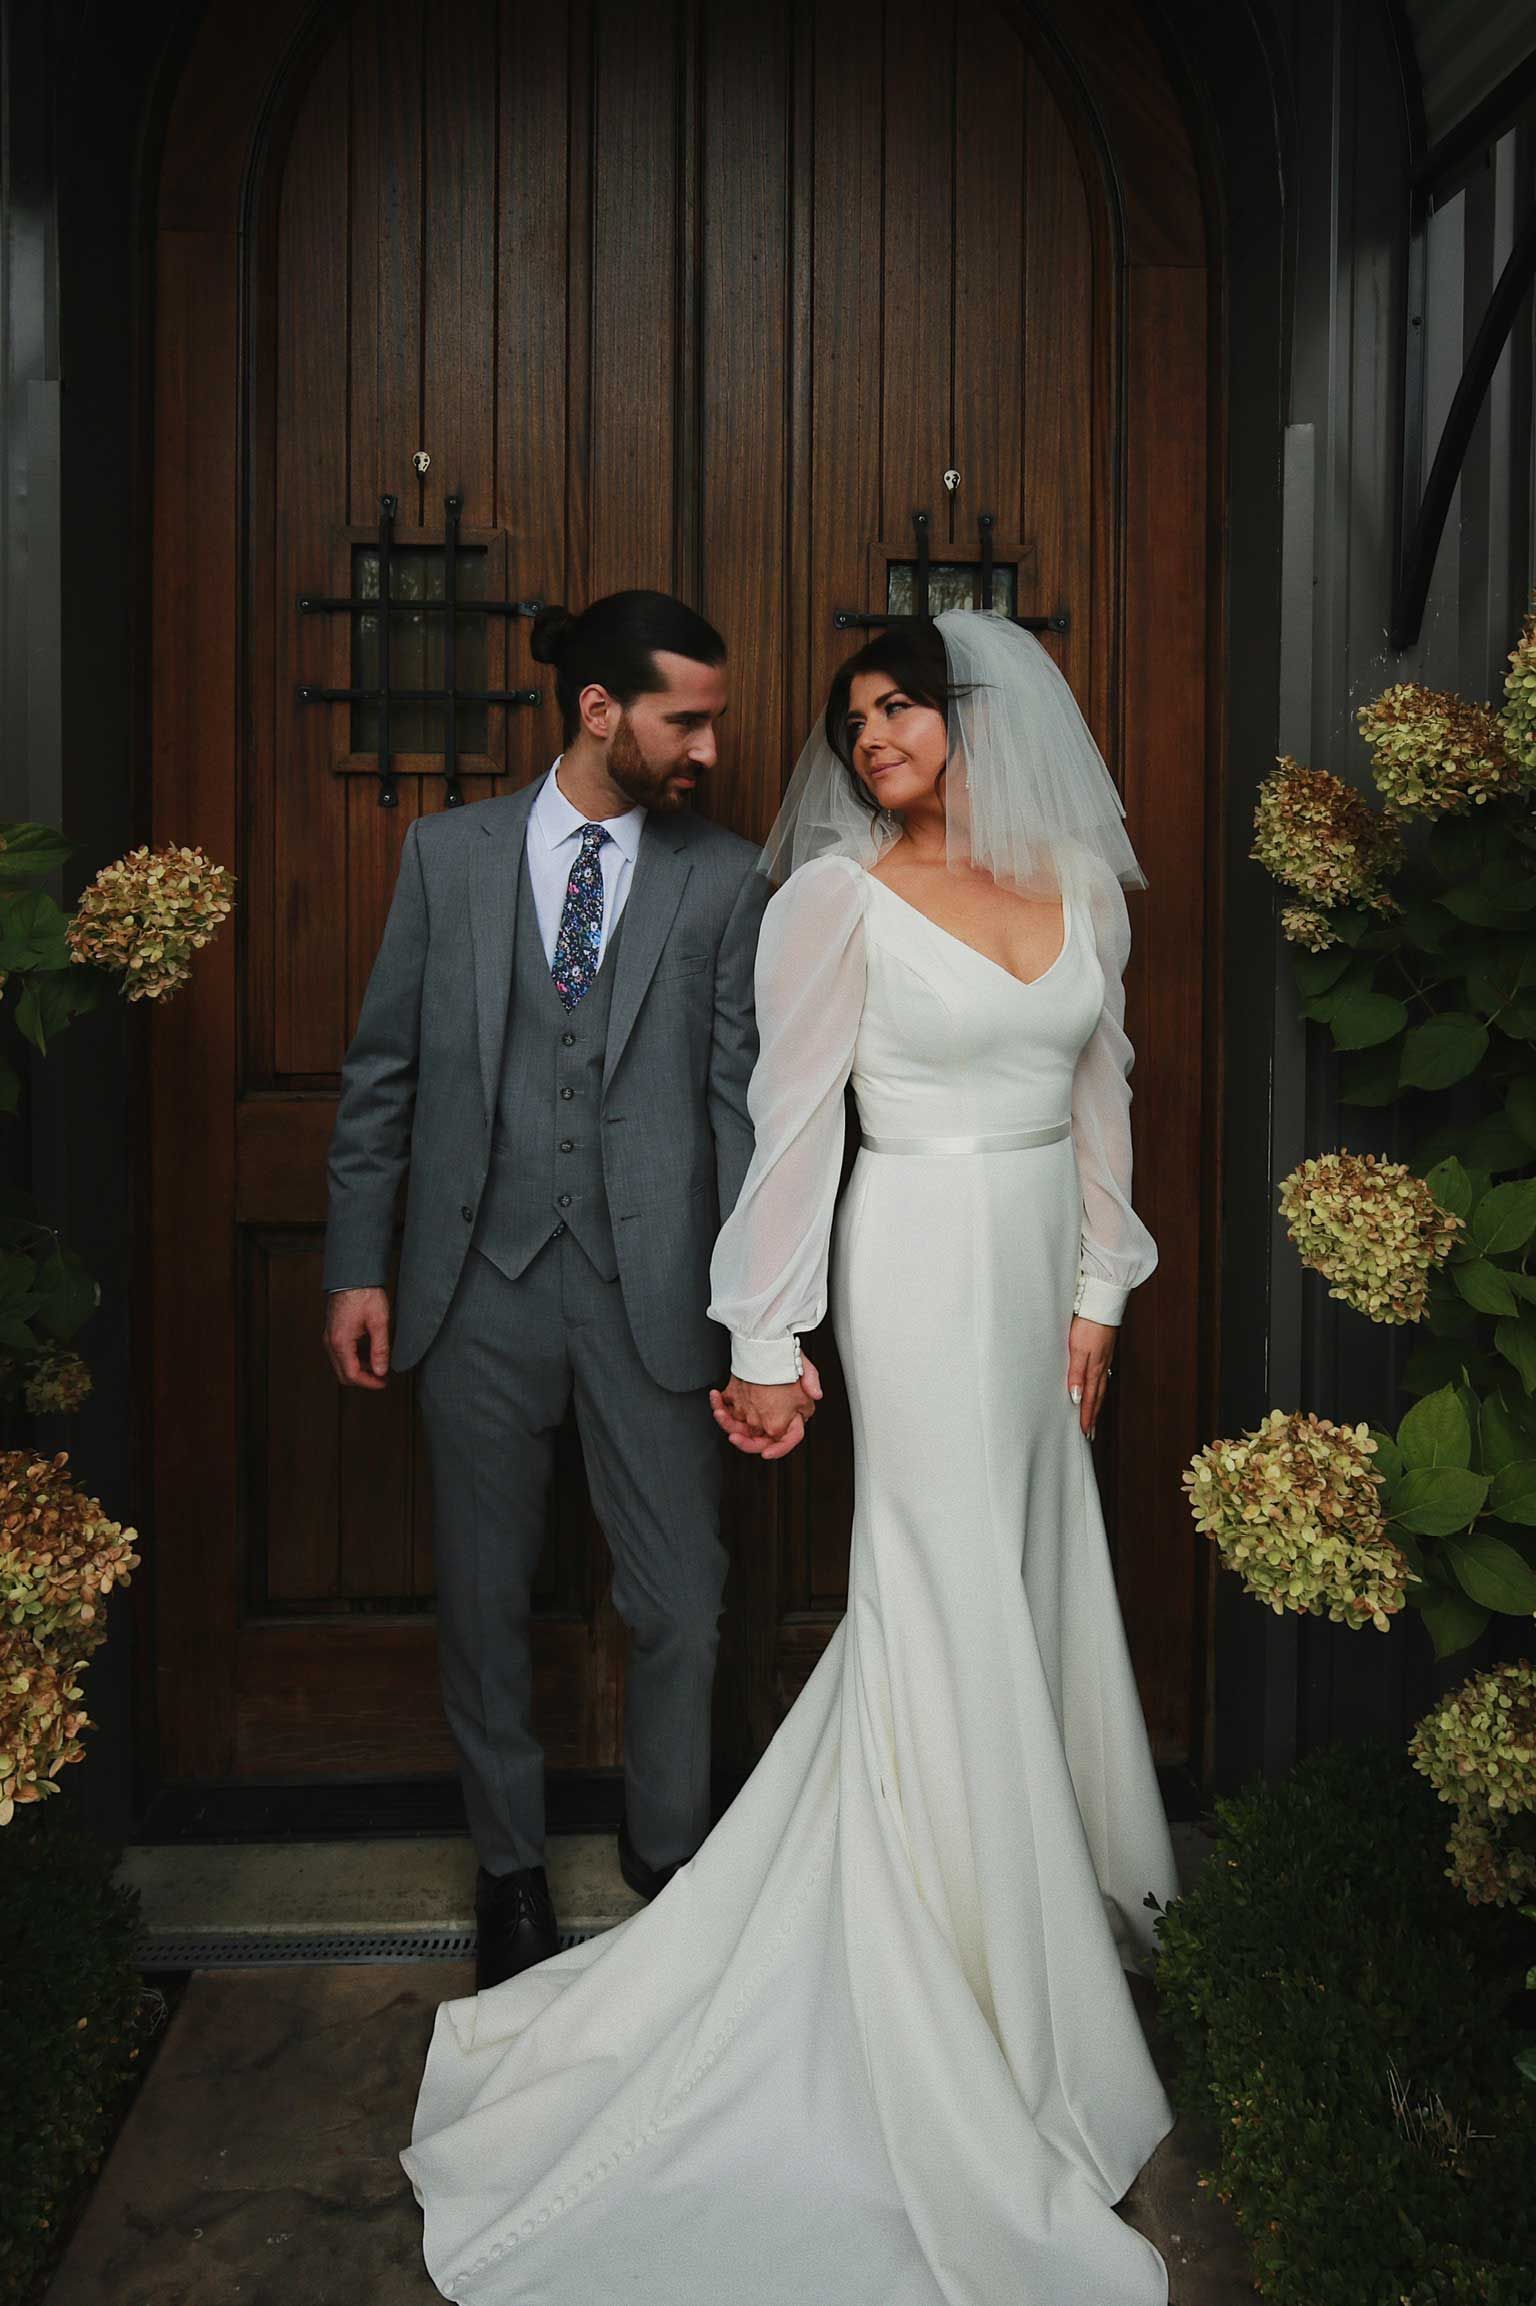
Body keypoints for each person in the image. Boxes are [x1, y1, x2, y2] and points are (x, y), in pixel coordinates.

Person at [400, 609, 1180, 2306]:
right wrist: (766, 1335)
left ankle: (1020, 1928)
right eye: (855, 718)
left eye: (903, 705)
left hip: (1039, 1269)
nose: (874, 736)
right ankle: (955, 1979)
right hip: (907, 1264)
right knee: (941, 1584)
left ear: (987, 716)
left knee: (1032, 1574)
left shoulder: (1084, 893)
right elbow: (795, 1118)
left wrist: (1098, 1288)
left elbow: (1102, 1096)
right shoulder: (832, 896)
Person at [322, 590, 793, 1992]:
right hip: (473, 1286)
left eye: (711, 718)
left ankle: (667, 1860)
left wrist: (752, 1310)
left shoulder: (724, 877)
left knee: (683, 1604)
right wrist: (358, 1258)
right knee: (481, 1598)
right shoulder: (447, 856)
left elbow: (740, 1110)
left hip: (652, 1290)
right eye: (685, 717)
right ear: (599, 710)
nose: (709, 746)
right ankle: (511, 1867)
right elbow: (384, 1072)